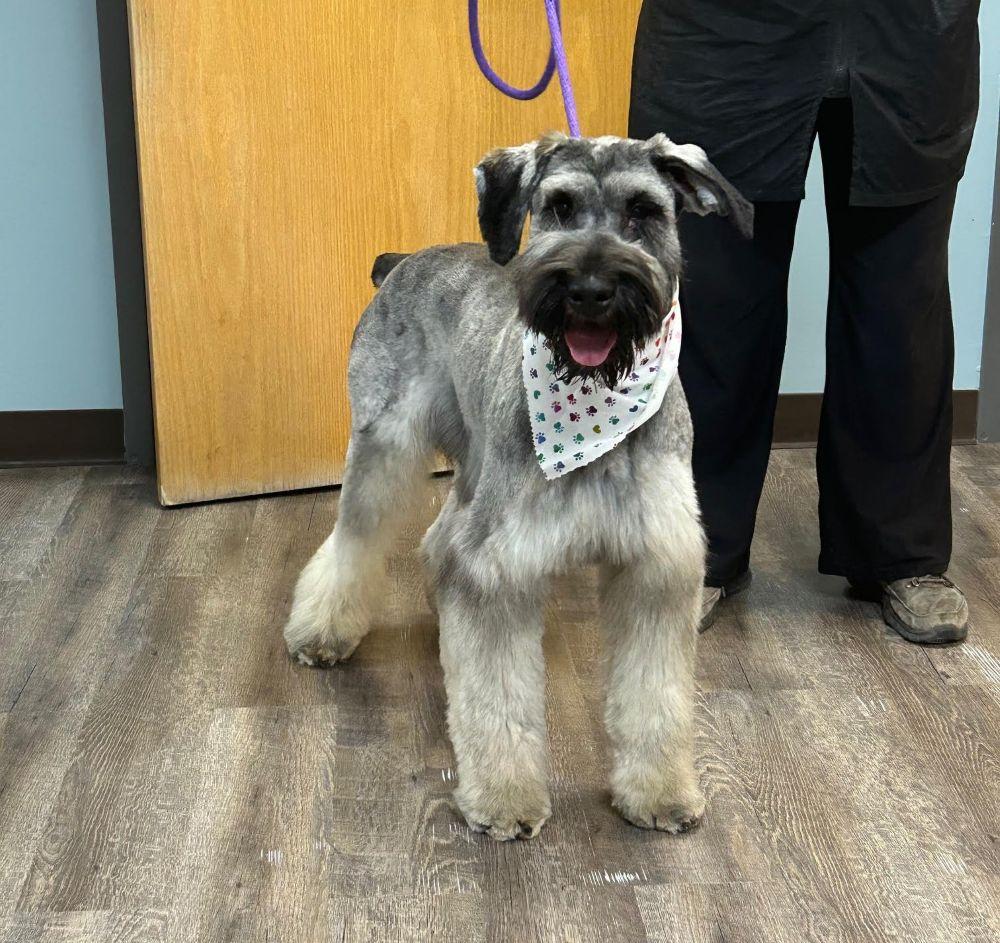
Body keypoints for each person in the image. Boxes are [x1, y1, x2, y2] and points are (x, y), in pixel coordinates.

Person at [629, 2, 982, 643]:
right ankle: (697, 549)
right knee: (715, 305)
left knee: (900, 306)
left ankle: (899, 553)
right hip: (725, 29)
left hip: (909, 29)